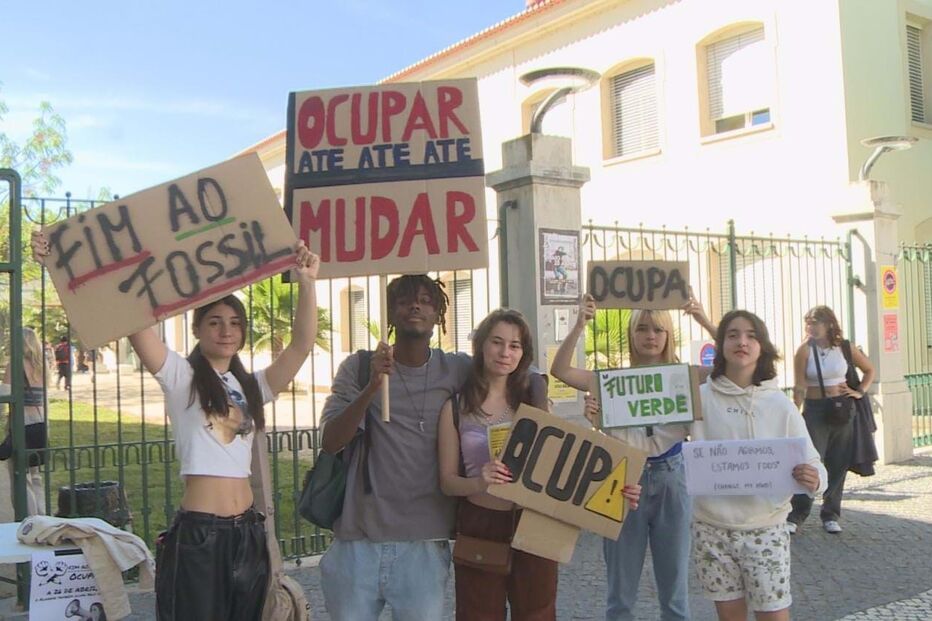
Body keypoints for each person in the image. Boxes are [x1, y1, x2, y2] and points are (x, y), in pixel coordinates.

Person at [33, 230, 320, 620]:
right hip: (201, 536)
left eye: (235, 323)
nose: (226, 330)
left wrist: (307, 283)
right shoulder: (180, 376)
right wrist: (61, 257)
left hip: (249, 533)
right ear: (198, 330)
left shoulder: (251, 387)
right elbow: (130, 315)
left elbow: (302, 345)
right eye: (215, 322)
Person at [318, 276, 547, 620]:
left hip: (424, 544)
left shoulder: (454, 369)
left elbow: (523, 371)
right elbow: (331, 441)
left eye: (426, 300)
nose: (416, 306)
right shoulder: (359, 366)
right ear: (390, 311)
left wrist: (541, 408)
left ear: (439, 312)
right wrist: (371, 387)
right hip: (358, 539)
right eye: (406, 300)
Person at [594, 310, 827, 621]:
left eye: (750, 336)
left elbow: (811, 460)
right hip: (713, 532)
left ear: (762, 347)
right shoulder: (698, 398)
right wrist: (605, 422)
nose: (741, 342)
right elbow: (652, 443)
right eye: (732, 335)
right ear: (720, 345)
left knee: (773, 616)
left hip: (766, 529)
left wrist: (816, 479)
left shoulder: (779, 404)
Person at [437, 308, 639, 620]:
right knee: (477, 614)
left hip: (535, 520)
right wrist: (481, 481)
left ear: (523, 353)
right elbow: (448, 482)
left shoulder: (535, 401)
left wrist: (617, 487)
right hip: (481, 522)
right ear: (481, 345)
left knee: (538, 614)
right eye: (497, 342)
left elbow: (568, 464)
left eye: (515, 346)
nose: (505, 352)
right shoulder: (456, 408)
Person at [552, 295, 708, 621]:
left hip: (672, 475)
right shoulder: (611, 381)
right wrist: (580, 324)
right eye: (642, 328)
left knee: (675, 595)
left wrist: (704, 320)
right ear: (631, 335)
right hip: (624, 477)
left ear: (668, 336)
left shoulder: (685, 376)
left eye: (658, 330)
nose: (650, 336)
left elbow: (735, 366)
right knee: (620, 595)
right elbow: (560, 370)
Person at [787, 305, 875, 534]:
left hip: (843, 409)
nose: (811, 327)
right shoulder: (804, 351)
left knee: (839, 461)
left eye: (815, 323)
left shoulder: (844, 347)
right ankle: (798, 514)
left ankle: (831, 514)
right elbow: (799, 386)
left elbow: (869, 370)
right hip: (815, 410)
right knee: (810, 460)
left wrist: (860, 392)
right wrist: (793, 413)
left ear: (828, 324)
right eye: (808, 323)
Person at [1, 327, 48, 515]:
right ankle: (42, 517)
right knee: (35, 475)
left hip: (22, 421)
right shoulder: (41, 364)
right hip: (39, 420)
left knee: (21, 475)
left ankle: (28, 518)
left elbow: (5, 395)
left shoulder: (15, 364)